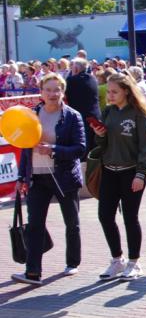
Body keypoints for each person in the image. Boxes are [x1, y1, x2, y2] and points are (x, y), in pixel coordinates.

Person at [12, 73, 86, 285]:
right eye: (48, 90)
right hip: (37, 177)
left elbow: (80, 149)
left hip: (63, 177)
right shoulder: (33, 114)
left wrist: (53, 149)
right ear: (41, 92)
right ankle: (33, 272)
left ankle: (72, 263)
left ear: (63, 92)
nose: (53, 94)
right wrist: (21, 176)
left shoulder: (72, 116)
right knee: (35, 224)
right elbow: (25, 148)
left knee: (71, 222)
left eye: (57, 90)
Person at [92, 73, 146, 281]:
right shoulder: (108, 112)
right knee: (105, 215)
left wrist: (141, 173)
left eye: (114, 92)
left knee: (130, 217)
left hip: (131, 172)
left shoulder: (138, 114)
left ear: (126, 91)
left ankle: (134, 262)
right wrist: (99, 134)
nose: (109, 95)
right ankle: (116, 260)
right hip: (109, 170)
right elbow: (101, 144)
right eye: (108, 91)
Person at [65, 58, 100, 153]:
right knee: (95, 149)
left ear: (75, 69)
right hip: (95, 117)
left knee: (82, 150)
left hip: (81, 119)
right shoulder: (93, 78)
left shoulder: (71, 81)